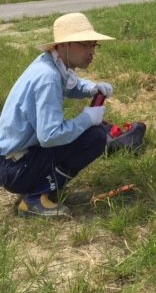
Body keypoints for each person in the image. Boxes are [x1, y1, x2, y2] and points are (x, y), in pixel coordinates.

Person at [0, 13, 115, 217]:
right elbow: (50, 136)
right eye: (84, 44)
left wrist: (91, 88)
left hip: (15, 161)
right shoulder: (48, 77)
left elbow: (71, 84)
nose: (91, 51)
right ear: (63, 45)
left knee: (95, 130)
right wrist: (87, 118)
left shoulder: (50, 63)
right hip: (15, 168)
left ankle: (43, 184)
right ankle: (36, 196)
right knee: (95, 138)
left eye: (94, 45)